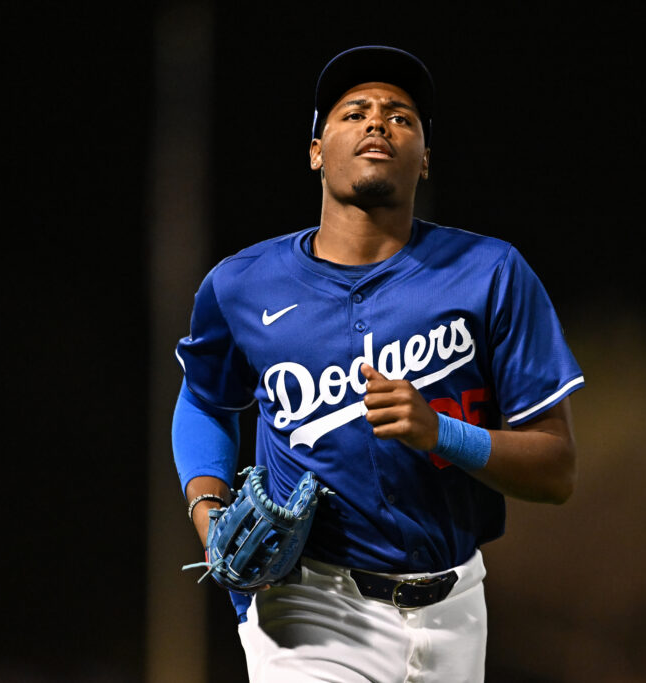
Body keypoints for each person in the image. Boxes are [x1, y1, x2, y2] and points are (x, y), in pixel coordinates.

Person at [172, 45, 584, 682]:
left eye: (401, 116)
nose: (377, 123)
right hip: (310, 607)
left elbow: (556, 470)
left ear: (424, 158)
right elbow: (204, 398)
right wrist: (207, 506)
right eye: (353, 112)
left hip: (455, 606)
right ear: (316, 150)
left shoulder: (492, 273)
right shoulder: (242, 286)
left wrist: (439, 432)